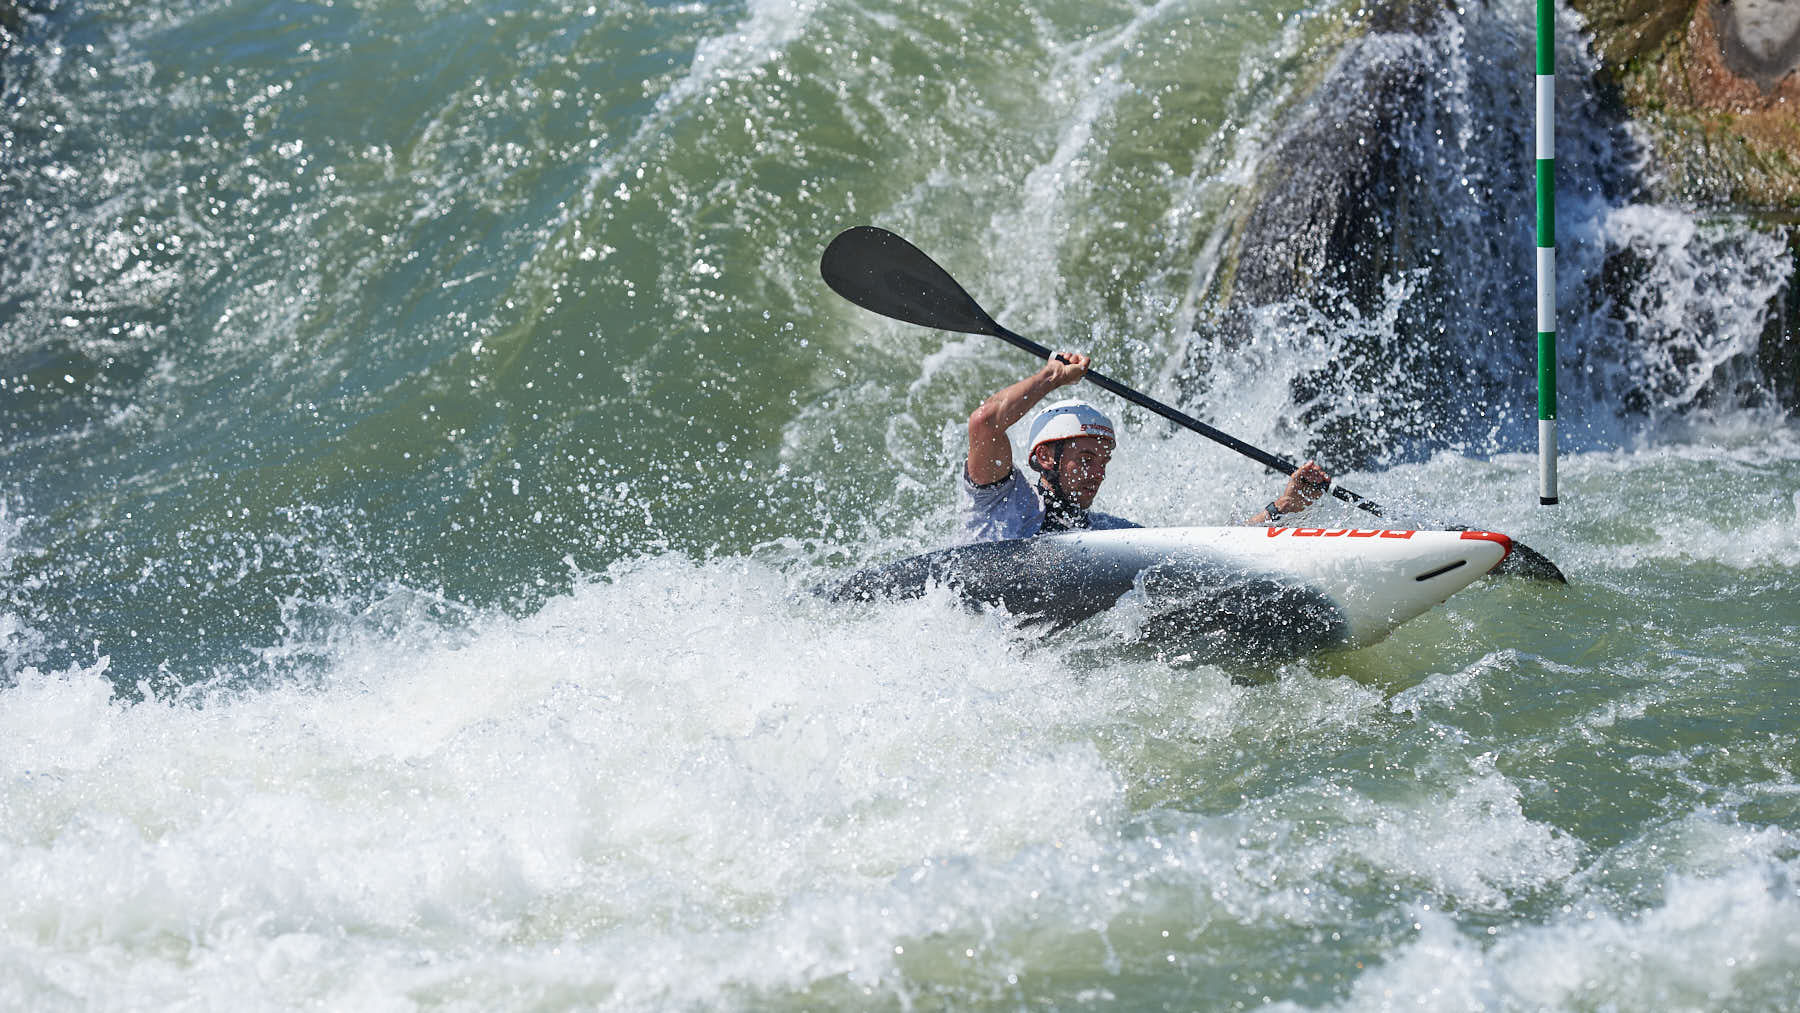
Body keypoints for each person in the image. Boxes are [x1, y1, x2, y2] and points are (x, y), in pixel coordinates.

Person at [960, 351, 1332, 542]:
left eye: (1105, 461)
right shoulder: (1001, 501)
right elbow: (985, 421)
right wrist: (1052, 377)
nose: (1099, 472)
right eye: (1086, 457)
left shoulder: (1104, 533)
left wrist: (1284, 506)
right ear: (1045, 457)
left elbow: (1202, 548)